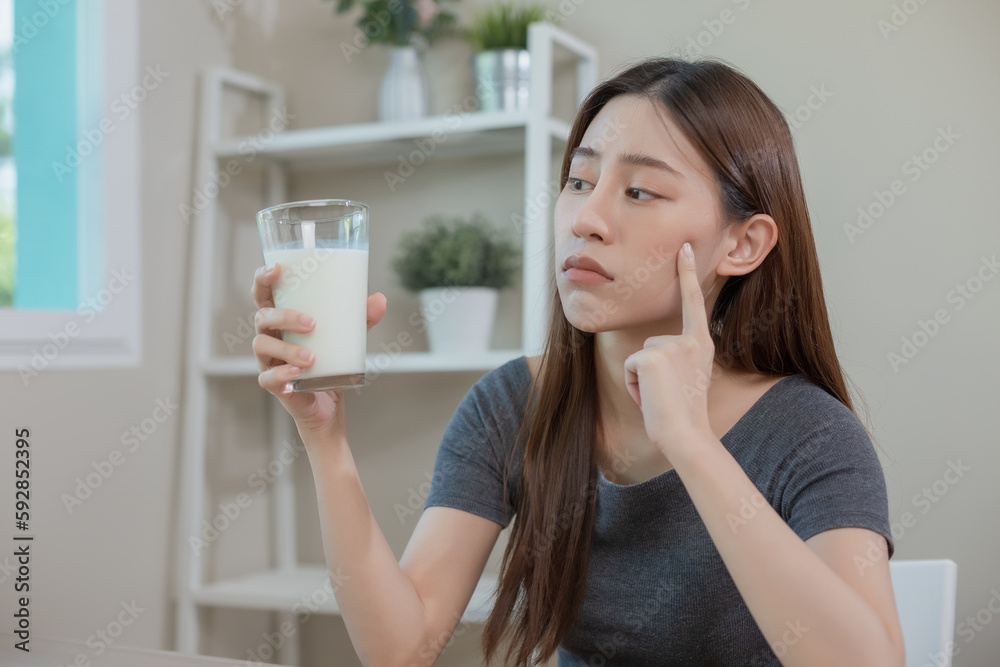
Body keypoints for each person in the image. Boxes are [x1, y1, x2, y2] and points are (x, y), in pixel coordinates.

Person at [251, 57, 904, 667]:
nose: (586, 217)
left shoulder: (809, 435)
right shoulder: (510, 405)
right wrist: (323, 433)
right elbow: (403, 644)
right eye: (579, 180)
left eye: (641, 191)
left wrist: (692, 443)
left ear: (743, 243)